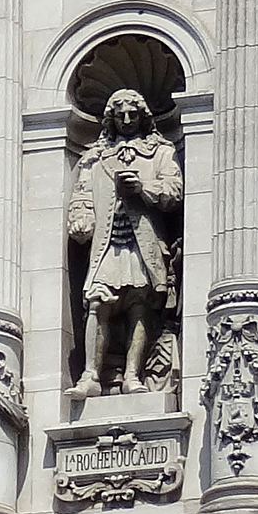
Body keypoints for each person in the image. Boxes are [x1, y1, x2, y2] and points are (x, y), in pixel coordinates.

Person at [67, 88, 183, 398]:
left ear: (143, 115)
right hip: (107, 245)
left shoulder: (160, 152)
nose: (128, 120)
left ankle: (133, 376)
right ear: (111, 119)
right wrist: (81, 218)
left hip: (143, 244)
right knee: (97, 302)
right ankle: (90, 375)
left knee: (139, 305)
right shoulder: (94, 158)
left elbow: (174, 191)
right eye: (121, 115)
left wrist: (143, 187)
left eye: (133, 114)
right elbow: (81, 195)